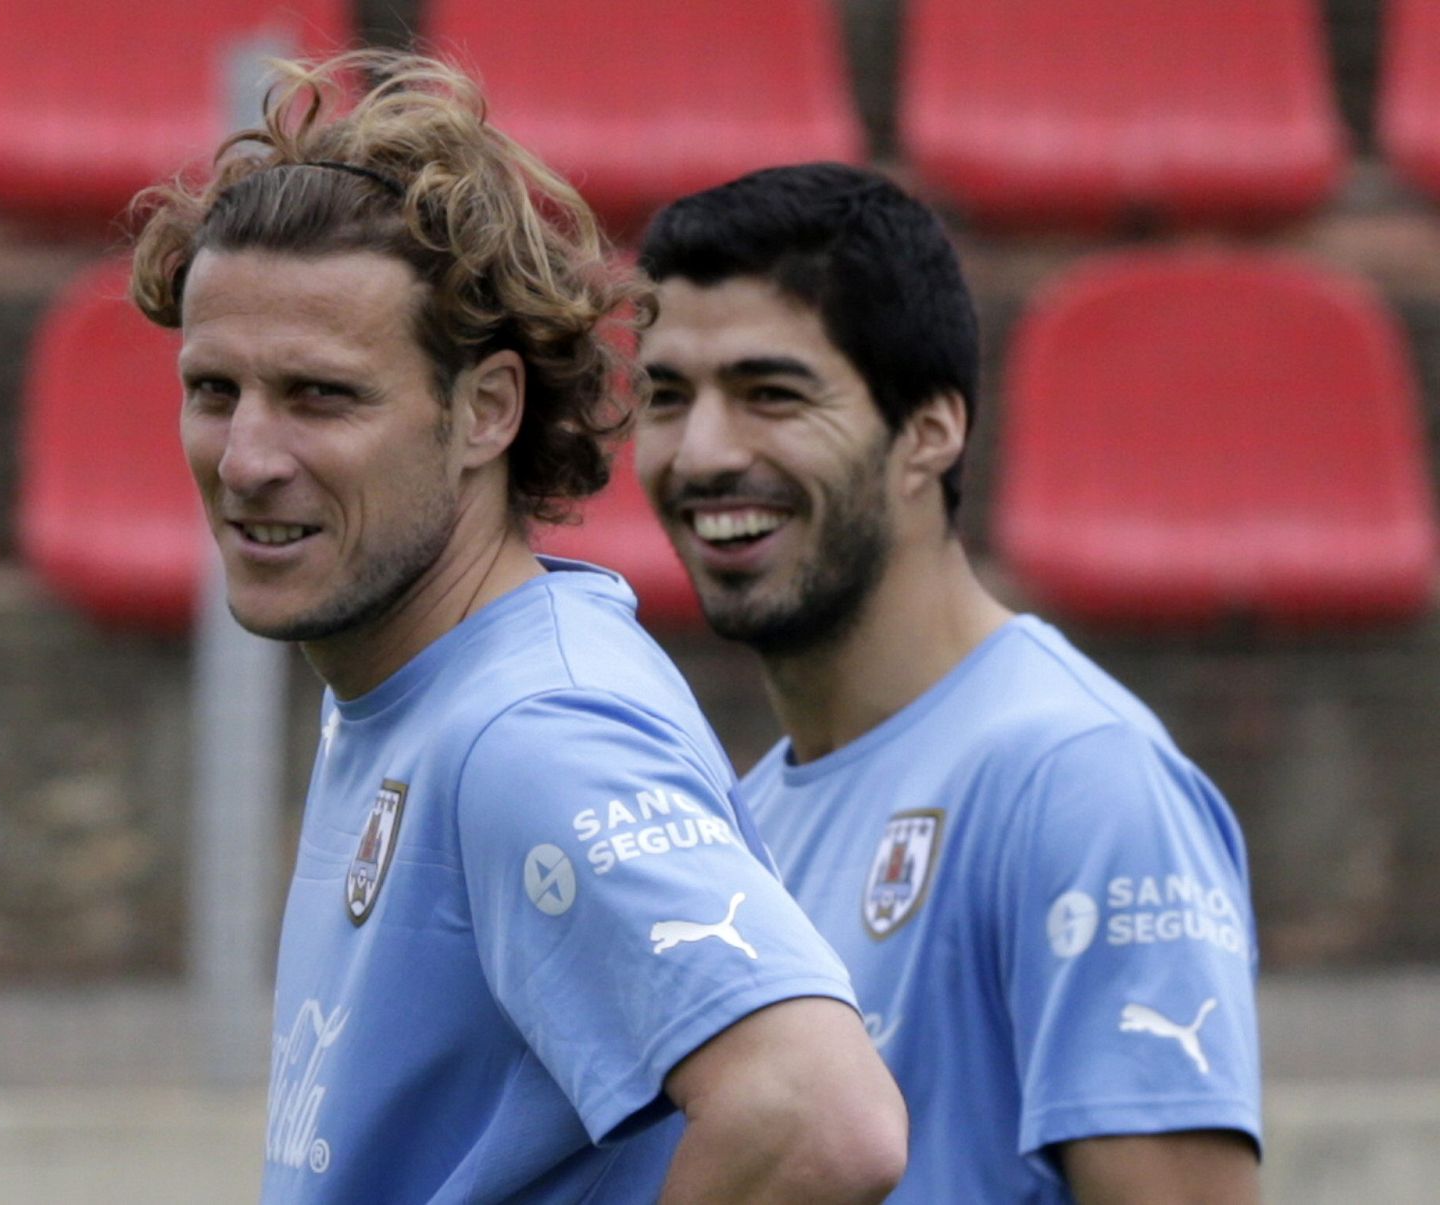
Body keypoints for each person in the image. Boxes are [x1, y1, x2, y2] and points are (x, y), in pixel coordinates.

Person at [130, 55, 906, 1204]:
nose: (245, 458)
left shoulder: (533, 734)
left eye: (320, 395)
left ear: (486, 410)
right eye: (214, 390)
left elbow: (818, 1118)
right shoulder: (420, 690)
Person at [633, 162, 1263, 1203]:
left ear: (930, 430)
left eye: (770, 394)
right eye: (667, 397)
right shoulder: (743, 819)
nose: (701, 453)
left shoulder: (1083, 782)